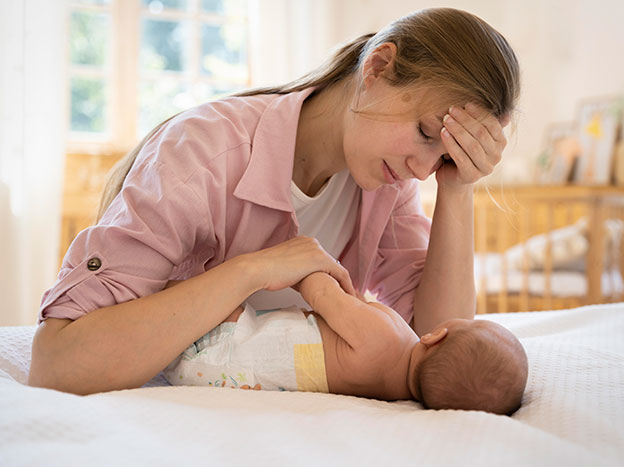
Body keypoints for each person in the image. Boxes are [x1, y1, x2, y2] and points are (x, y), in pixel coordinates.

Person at [28, 7, 520, 395]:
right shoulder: (201, 152)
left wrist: (457, 188)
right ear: (378, 66)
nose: (422, 168)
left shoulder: (388, 184)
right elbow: (58, 362)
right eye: (426, 133)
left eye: (444, 156)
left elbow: (435, 356)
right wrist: (253, 270)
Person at [164, 272, 528, 414]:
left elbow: (323, 295)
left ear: (435, 336)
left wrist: (309, 265)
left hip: (223, 342)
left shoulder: (389, 334)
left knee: (207, 283)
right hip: (214, 375)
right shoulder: (388, 392)